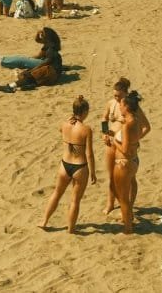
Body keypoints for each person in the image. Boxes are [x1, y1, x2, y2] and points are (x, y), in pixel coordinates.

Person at [39, 97, 96, 233]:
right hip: (80, 167)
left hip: (64, 165)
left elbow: (61, 129)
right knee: (75, 200)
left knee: (57, 193)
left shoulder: (65, 125)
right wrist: (93, 172)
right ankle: (71, 228)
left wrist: (69, 119)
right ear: (85, 112)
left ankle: (44, 221)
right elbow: (89, 154)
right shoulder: (86, 129)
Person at [109, 91, 145, 233]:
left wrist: (113, 141)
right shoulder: (135, 120)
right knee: (126, 195)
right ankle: (127, 219)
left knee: (123, 198)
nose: (120, 107)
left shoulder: (127, 125)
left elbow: (124, 149)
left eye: (122, 105)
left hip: (123, 162)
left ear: (127, 107)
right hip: (133, 161)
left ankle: (128, 228)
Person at [0, 27, 63, 93]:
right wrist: (38, 34)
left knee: (29, 75)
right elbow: (38, 43)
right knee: (24, 75)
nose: (41, 35)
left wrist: (34, 69)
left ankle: (10, 86)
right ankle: (25, 86)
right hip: (51, 71)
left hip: (51, 71)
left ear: (47, 37)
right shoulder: (48, 45)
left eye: (42, 34)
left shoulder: (51, 49)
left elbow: (47, 62)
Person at [101, 77, 132, 215]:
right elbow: (104, 118)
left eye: (119, 96)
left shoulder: (130, 106)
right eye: (115, 95)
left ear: (125, 93)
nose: (117, 98)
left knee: (126, 177)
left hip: (124, 143)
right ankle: (110, 203)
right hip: (112, 140)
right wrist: (104, 133)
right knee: (111, 175)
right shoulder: (111, 103)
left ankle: (126, 204)